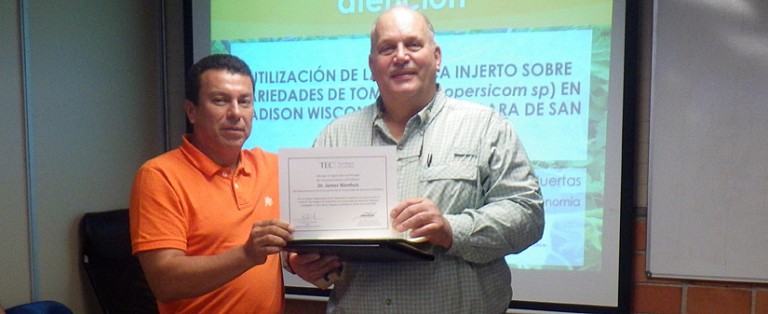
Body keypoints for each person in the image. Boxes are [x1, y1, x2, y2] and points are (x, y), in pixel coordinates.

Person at [287, 5, 545, 314]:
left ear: (436, 57)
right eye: (387, 48)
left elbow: (528, 216)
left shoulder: (486, 127)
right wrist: (298, 262)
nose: (400, 56)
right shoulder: (335, 137)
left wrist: (451, 229)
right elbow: (304, 231)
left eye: (412, 44)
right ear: (371, 66)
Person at [129, 54, 294, 314]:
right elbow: (164, 281)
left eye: (245, 101)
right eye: (220, 101)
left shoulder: (272, 166)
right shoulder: (160, 175)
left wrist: (300, 260)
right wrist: (246, 255)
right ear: (191, 111)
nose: (236, 113)